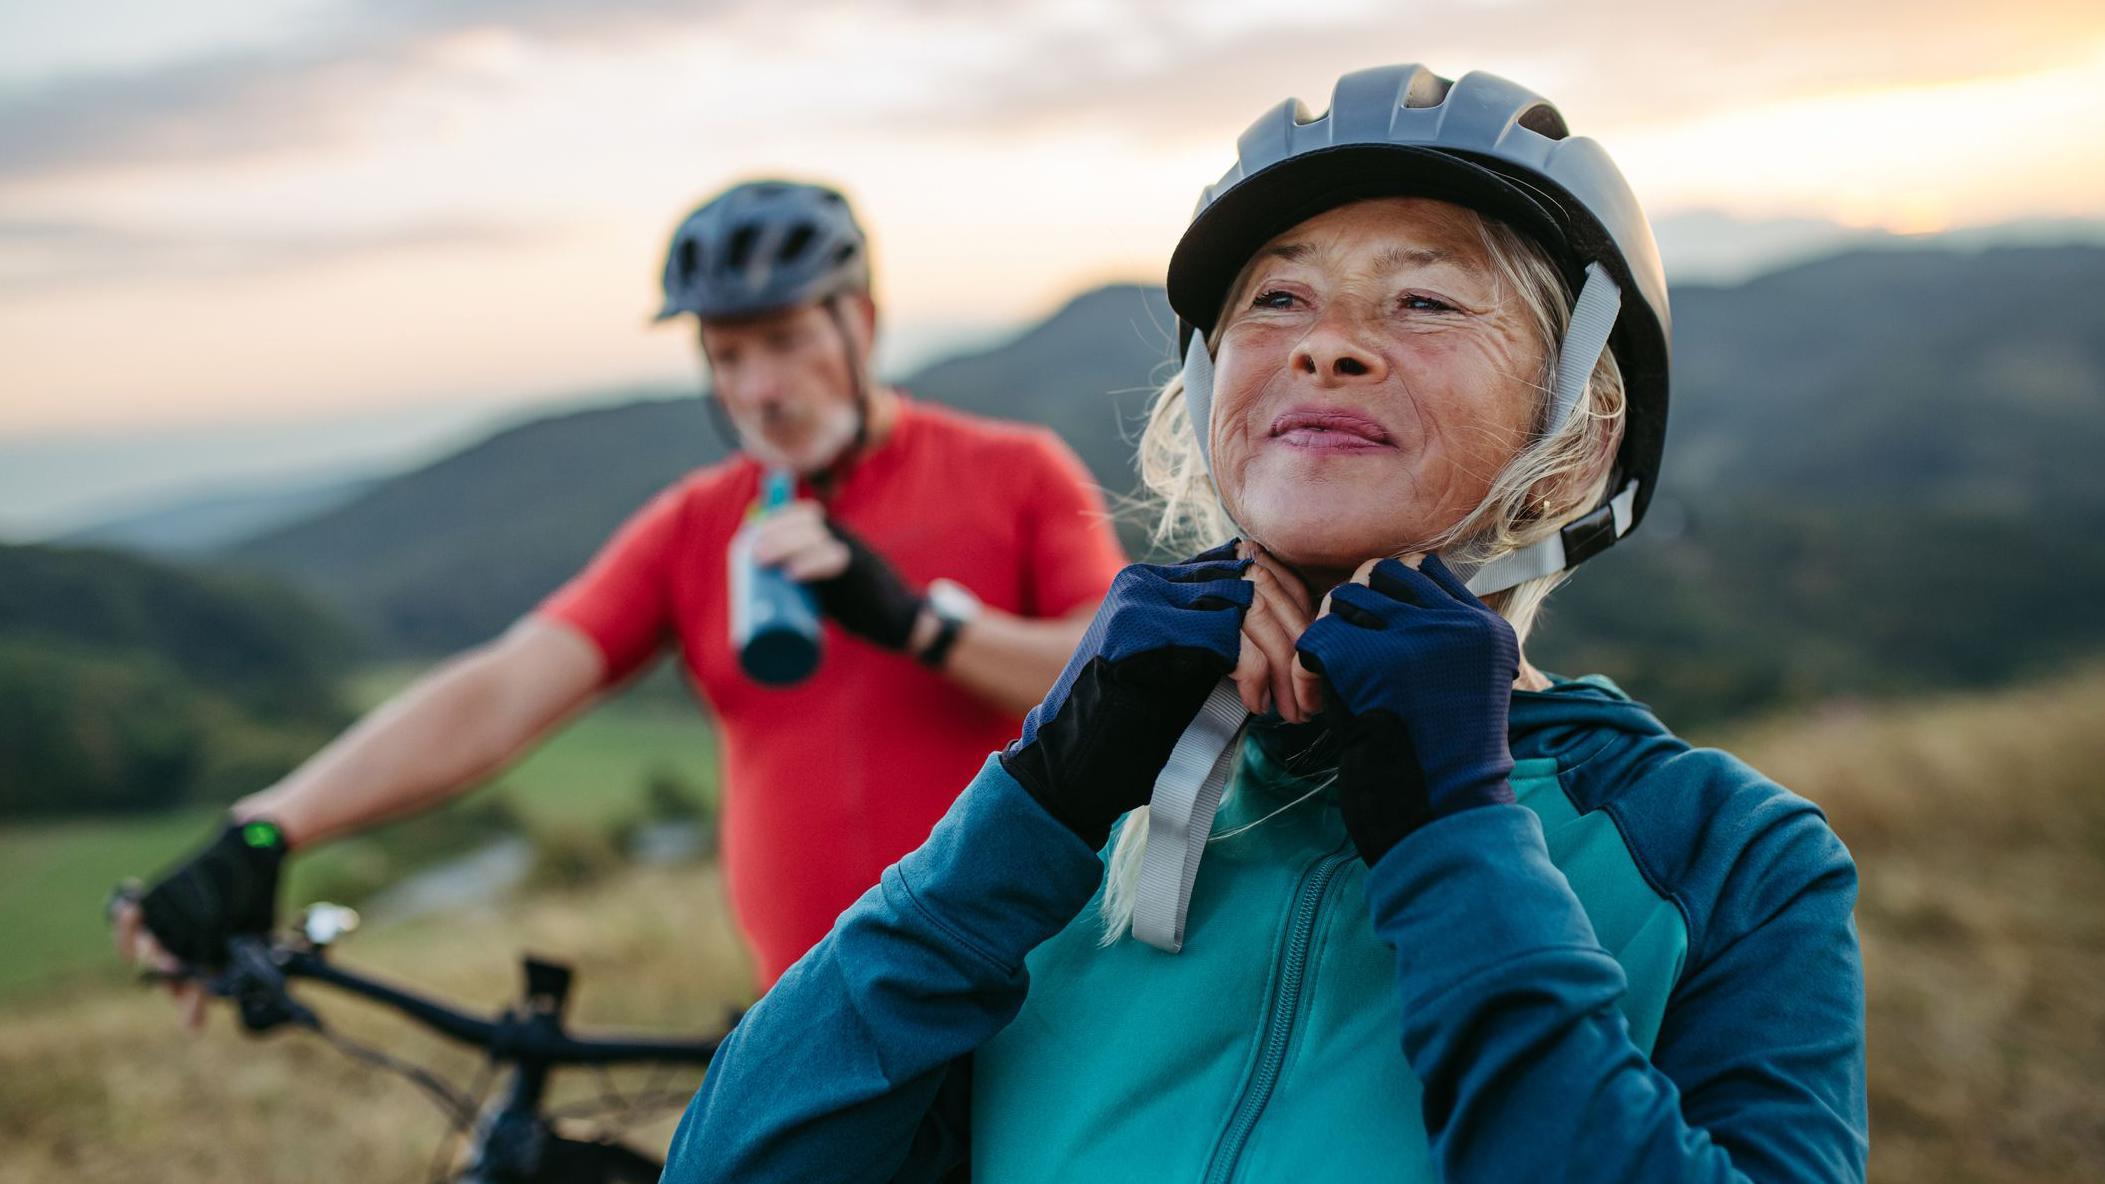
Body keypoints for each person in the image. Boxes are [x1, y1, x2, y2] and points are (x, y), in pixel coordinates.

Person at [660, 66, 1868, 1182]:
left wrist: (1455, 837)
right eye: (1278, 297)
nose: (1325, 344)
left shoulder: (1725, 855)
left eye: (1425, 299)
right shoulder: (1076, 844)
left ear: (1577, 434)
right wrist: (1038, 796)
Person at [115, 179, 1129, 1001]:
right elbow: (503, 690)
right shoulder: (697, 525)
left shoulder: (1014, 470)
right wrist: (267, 828)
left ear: (859, 323)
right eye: (726, 355)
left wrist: (918, 623)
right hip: (813, 1023)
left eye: (784, 340)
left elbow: (1114, 678)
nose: (758, 389)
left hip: (1027, 992)